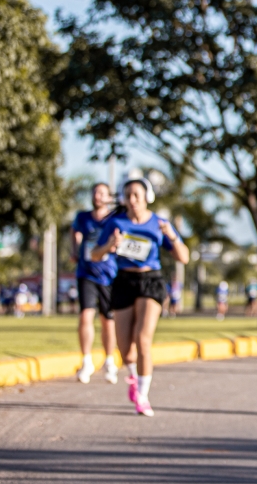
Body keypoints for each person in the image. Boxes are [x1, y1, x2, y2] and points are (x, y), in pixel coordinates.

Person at [92, 177, 190, 416]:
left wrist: (171, 235)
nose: (132, 199)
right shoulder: (116, 223)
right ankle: (134, 377)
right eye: (128, 195)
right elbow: (95, 255)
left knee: (143, 338)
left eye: (137, 194)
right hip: (124, 281)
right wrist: (109, 245)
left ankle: (143, 396)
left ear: (147, 197)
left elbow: (184, 257)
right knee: (126, 350)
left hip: (151, 281)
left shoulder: (159, 223)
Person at [71, 182, 119, 385]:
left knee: (108, 319)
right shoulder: (82, 217)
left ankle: (109, 361)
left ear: (108, 197)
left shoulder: (115, 219)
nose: (97, 196)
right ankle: (86, 361)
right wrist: (74, 250)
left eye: (101, 193)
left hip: (109, 274)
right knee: (86, 315)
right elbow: (74, 232)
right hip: (86, 273)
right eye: (94, 193)